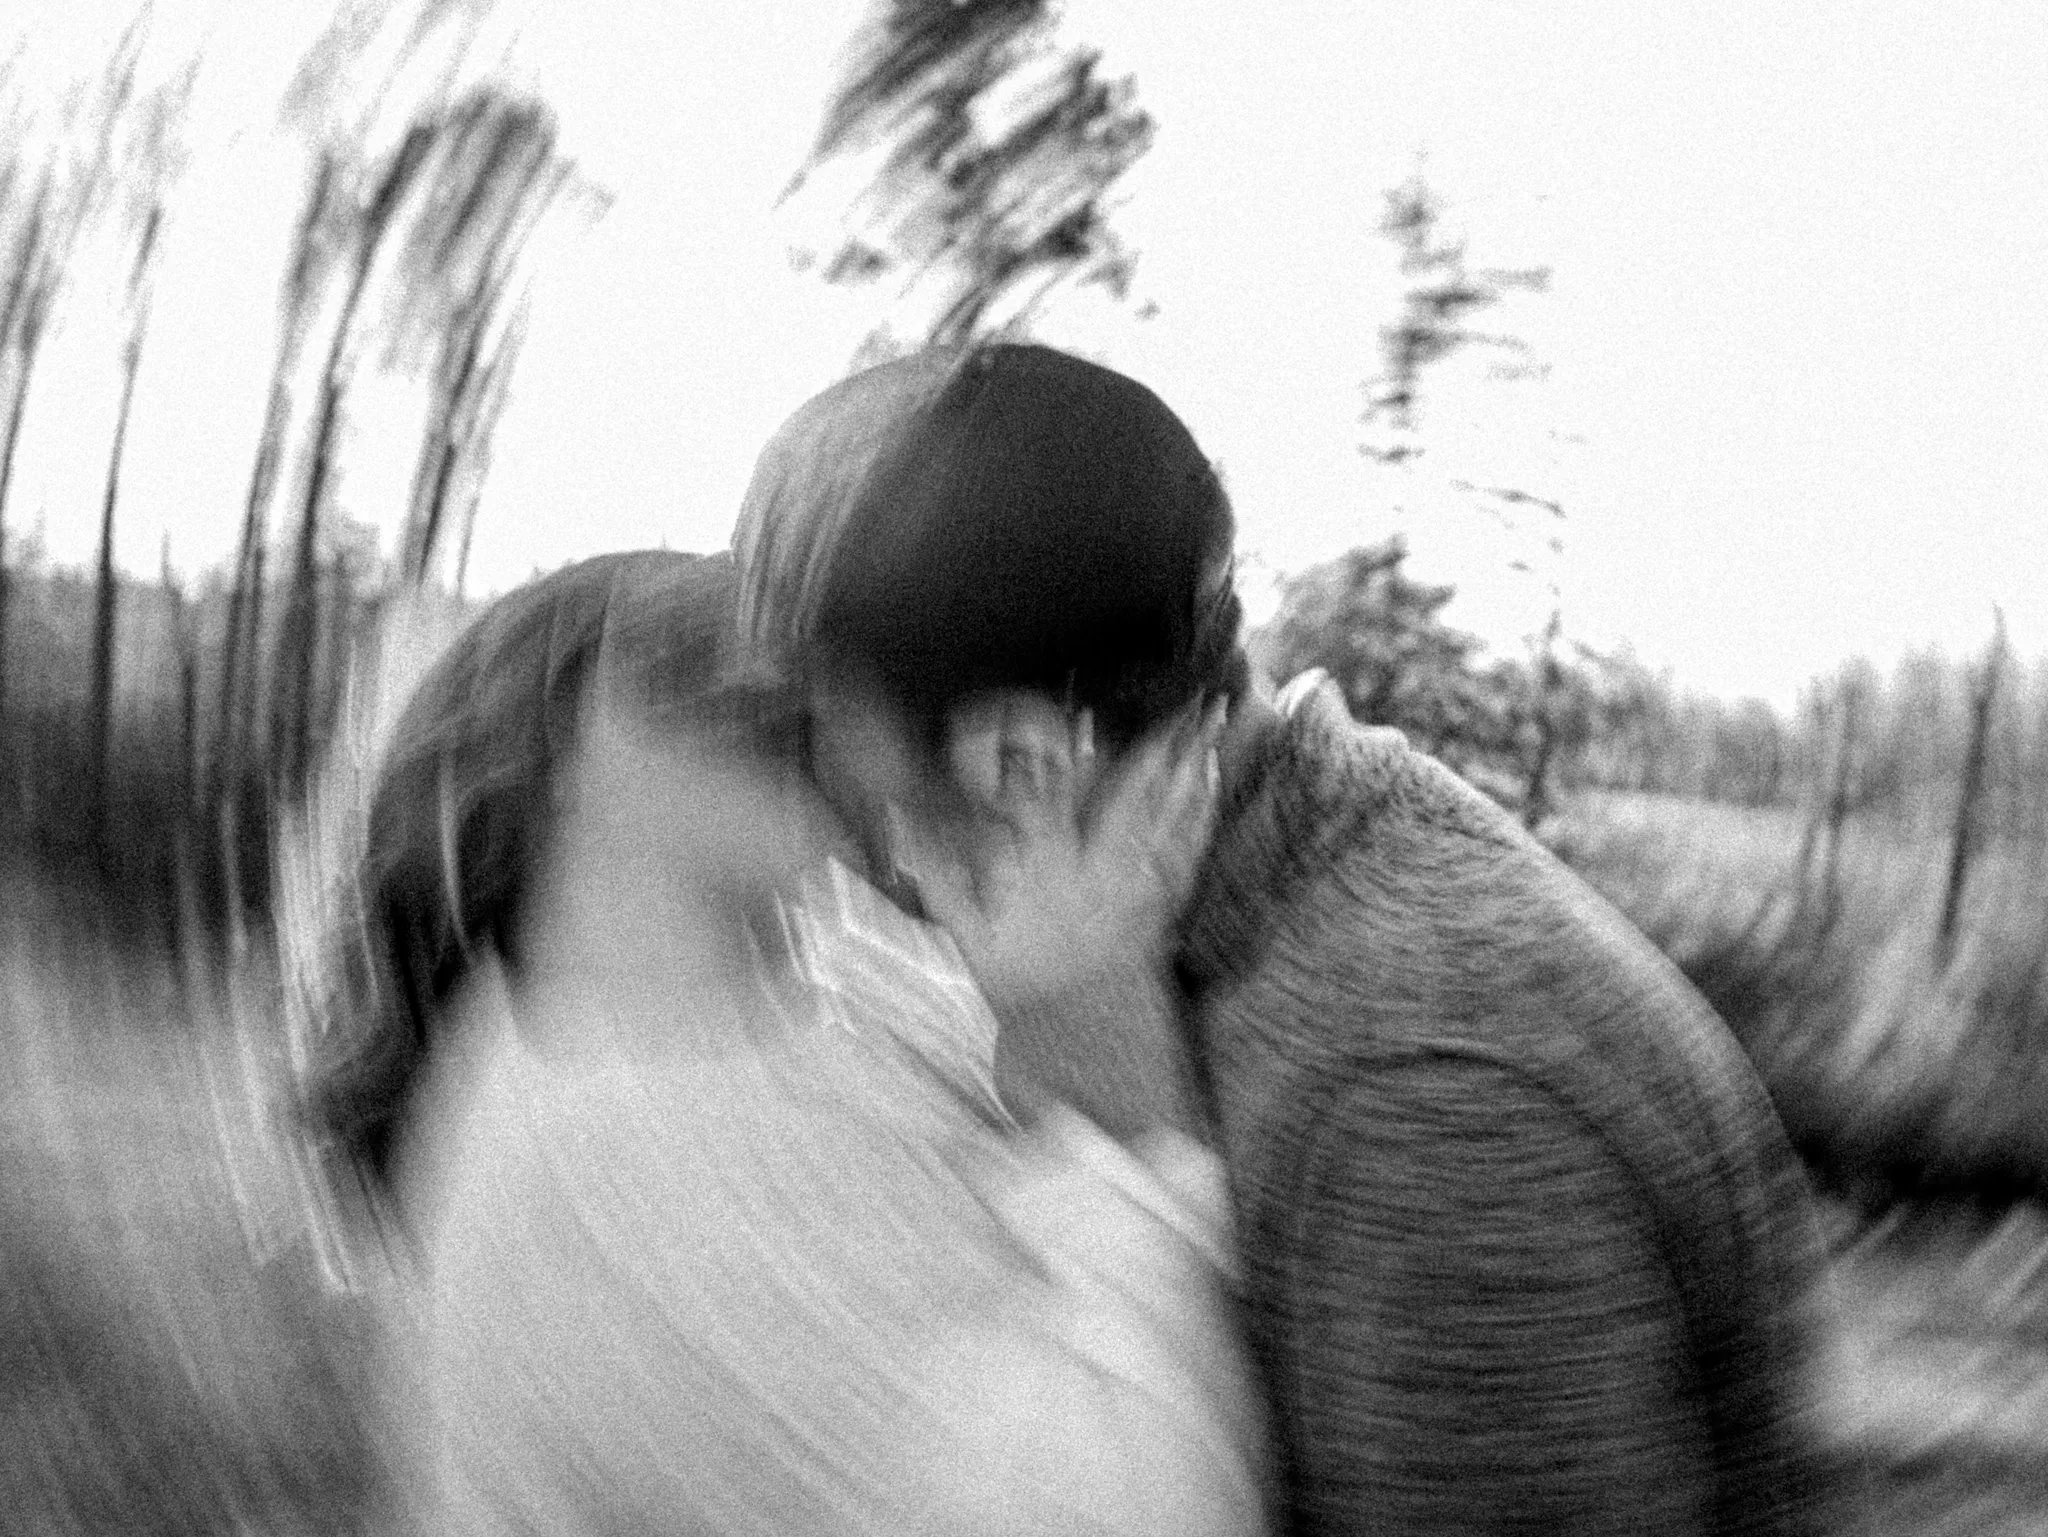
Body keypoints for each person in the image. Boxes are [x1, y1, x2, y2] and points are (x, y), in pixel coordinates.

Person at [732, 340, 1839, 1535]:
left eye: (842, 768)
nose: (843, 849)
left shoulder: (1413, 1097)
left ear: (1023, 762)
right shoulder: (1243, 933)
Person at [298, 548, 1269, 1535]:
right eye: (687, 648)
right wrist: (1103, 1023)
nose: (776, 685)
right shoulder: (603, 1160)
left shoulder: (830, 989)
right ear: (541, 756)